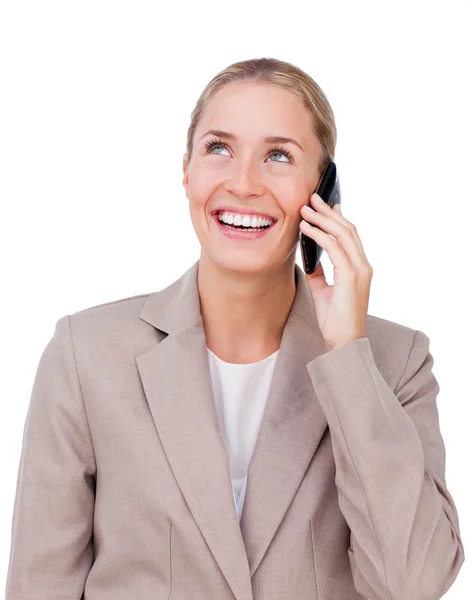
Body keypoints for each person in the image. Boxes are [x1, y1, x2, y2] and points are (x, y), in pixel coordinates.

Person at [5, 57, 465, 600]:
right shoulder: (85, 356)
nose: (243, 183)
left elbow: (413, 585)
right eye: (218, 148)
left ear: (324, 191)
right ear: (187, 171)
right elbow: (39, 586)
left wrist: (347, 357)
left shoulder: (396, 361)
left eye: (278, 156)